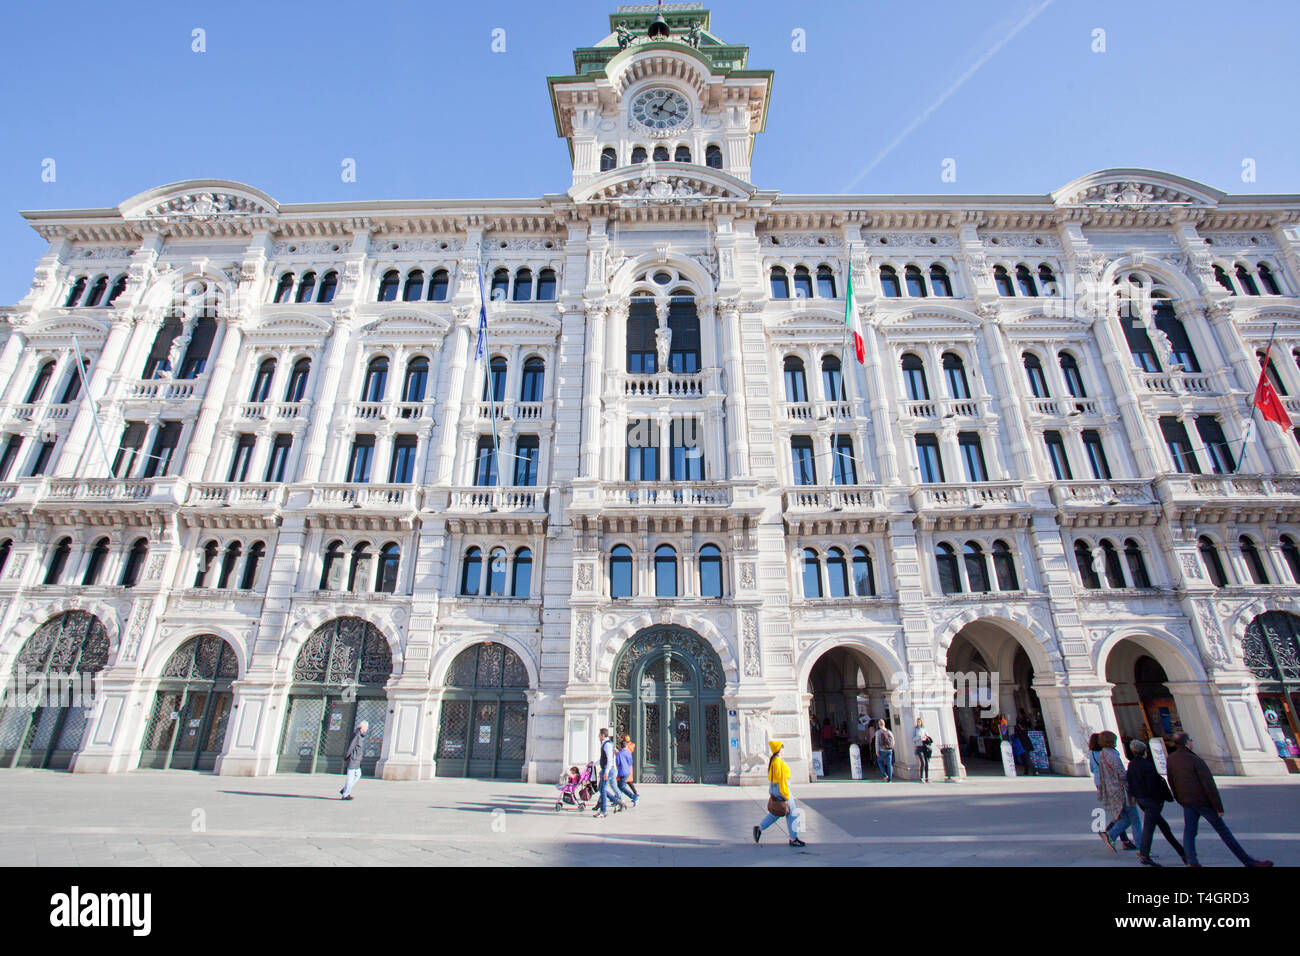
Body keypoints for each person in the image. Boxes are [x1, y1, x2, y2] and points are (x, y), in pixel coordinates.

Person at [1166, 732, 1272, 868]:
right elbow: (1208, 785)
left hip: (1188, 802)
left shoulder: (1171, 759)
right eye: (1190, 740)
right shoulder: (1195, 760)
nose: (1192, 742)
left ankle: (1192, 861)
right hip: (1204, 802)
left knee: (1190, 832)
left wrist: (1179, 799)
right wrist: (1218, 807)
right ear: (1186, 742)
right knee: (1224, 832)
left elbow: (1171, 781)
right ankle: (1248, 862)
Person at [1125, 739, 1184, 866]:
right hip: (1152, 801)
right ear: (1145, 752)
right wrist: (1160, 801)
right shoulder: (1148, 765)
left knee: (1164, 827)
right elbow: (1153, 786)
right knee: (1149, 828)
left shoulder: (1132, 764)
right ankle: (1145, 855)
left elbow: (1130, 783)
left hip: (1142, 800)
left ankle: (1183, 853)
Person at [753, 740, 805, 848]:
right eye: (782, 747)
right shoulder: (777, 761)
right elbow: (780, 779)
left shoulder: (775, 760)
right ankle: (793, 838)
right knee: (792, 813)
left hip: (778, 789)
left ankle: (759, 828)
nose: (784, 749)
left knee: (777, 812)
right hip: (783, 789)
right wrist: (786, 794)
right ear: (779, 749)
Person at [1096, 731, 1139, 852]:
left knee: (1124, 817)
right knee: (1133, 818)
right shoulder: (1112, 755)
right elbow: (1121, 773)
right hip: (1121, 790)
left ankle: (1110, 834)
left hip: (1111, 789)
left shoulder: (1102, 754)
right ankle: (1141, 847)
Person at [593, 727, 627, 818]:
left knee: (603, 789)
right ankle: (617, 801)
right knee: (601, 789)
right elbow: (603, 758)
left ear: (603, 735)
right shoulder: (606, 744)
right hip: (608, 769)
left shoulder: (607, 745)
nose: (598, 736)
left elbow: (609, 760)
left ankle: (603, 811)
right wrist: (594, 763)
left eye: (599, 734)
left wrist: (606, 772)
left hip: (609, 769)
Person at [340, 720, 368, 800]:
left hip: (357, 760)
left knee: (358, 774)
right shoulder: (357, 735)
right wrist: (347, 756)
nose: (367, 729)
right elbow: (351, 746)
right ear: (362, 727)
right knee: (350, 777)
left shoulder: (361, 735)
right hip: (353, 759)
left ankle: (345, 789)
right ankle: (345, 794)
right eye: (366, 727)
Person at [615, 736, 638, 807]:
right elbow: (630, 762)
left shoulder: (619, 753)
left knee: (621, 787)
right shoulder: (628, 753)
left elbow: (617, 763)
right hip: (627, 771)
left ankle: (633, 796)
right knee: (619, 786)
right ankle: (618, 799)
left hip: (621, 772)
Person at [873, 718, 895, 782]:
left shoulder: (878, 732)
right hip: (889, 750)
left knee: (879, 761)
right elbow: (893, 740)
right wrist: (892, 747)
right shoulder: (889, 731)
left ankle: (885, 775)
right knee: (889, 764)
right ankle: (890, 779)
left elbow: (877, 742)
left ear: (879, 725)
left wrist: (877, 751)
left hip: (882, 750)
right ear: (884, 724)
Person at [913, 717, 933, 783]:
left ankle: (927, 777)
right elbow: (913, 739)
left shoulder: (924, 729)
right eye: (917, 722)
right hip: (919, 747)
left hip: (925, 746)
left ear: (921, 722)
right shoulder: (915, 729)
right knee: (922, 762)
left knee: (926, 762)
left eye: (919, 722)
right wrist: (918, 737)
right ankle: (921, 777)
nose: (918, 723)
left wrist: (925, 737)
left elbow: (928, 736)